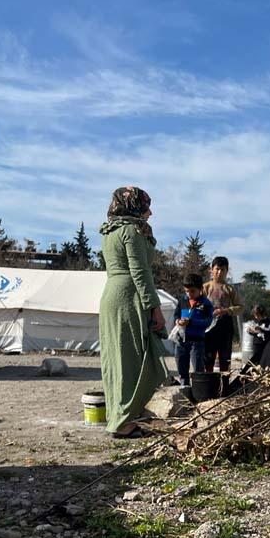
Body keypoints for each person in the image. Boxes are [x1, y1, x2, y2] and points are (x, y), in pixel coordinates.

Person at [98, 186, 168, 438]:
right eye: (146, 207)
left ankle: (120, 415)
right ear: (134, 206)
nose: (150, 213)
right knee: (133, 359)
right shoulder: (131, 231)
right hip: (129, 296)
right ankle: (124, 422)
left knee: (116, 359)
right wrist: (154, 307)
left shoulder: (110, 231)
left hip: (111, 295)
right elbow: (140, 272)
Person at [203, 256, 243, 375]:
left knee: (225, 358)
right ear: (211, 270)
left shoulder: (230, 289)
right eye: (217, 269)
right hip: (208, 326)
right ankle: (209, 382)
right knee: (208, 357)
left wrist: (226, 310)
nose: (219, 272)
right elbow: (197, 305)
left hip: (225, 325)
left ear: (227, 271)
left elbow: (240, 307)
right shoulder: (206, 287)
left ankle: (225, 383)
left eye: (223, 270)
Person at [173, 273, 213, 386]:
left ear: (200, 289)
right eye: (187, 291)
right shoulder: (182, 301)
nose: (189, 294)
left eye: (192, 291)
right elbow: (176, 315)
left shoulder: (206, 304)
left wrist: (191, 322)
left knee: (198, 369)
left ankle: (199, 389)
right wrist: (177, 321)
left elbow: (208, 321)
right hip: (181, 340)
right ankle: (184, 388)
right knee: (181, 366)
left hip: (197, 342)